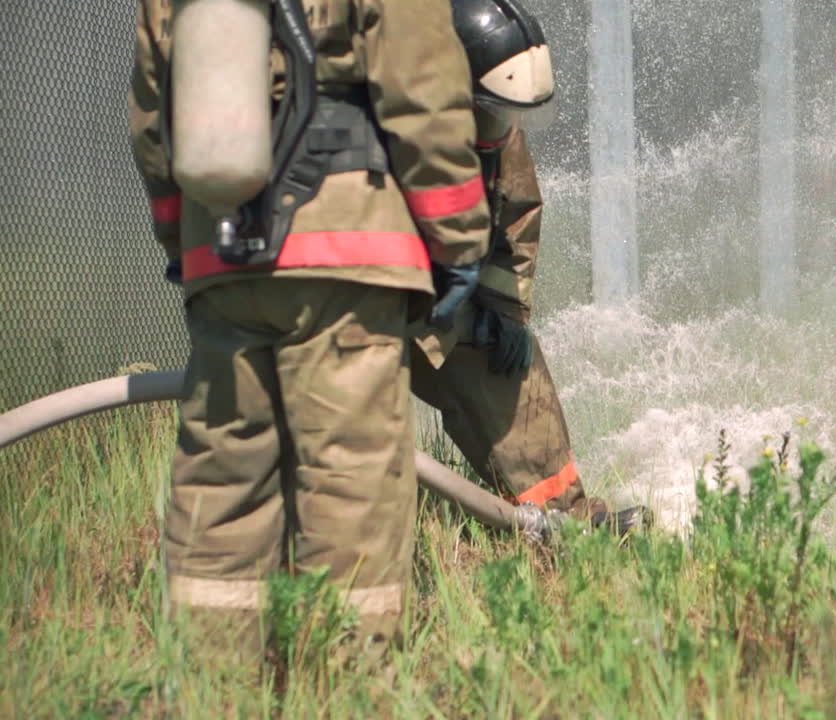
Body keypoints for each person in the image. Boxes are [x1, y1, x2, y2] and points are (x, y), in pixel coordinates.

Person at [128, 0, 489, 660]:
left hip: (221, 249)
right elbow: (422, 90)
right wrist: (458, 241)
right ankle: (345, 679)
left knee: (222, 477)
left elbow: (155, 112)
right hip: (344, 244)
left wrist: (182, 238)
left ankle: (213, 681)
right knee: (349, 474)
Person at [413, 0, 649, 531]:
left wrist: (503, 313)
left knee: (508, 363)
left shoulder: (493, 120)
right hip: (356, 304)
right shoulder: (381, 126)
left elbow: (516, 215)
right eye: (489, 112)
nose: (499, 126)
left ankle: (566, 523)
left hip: (434, 302)